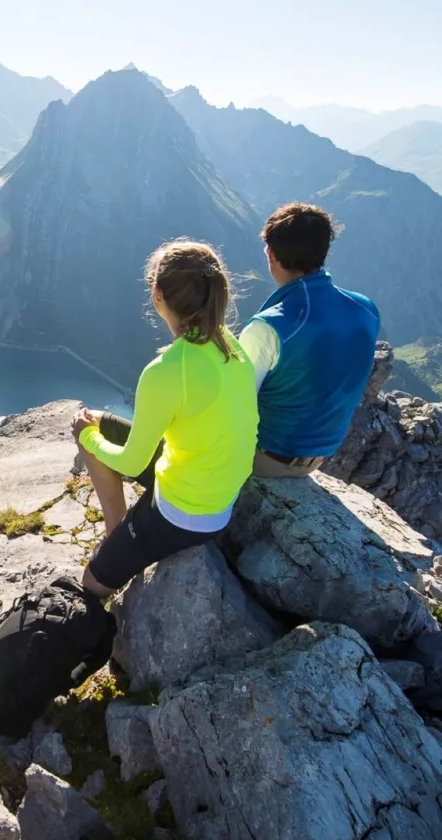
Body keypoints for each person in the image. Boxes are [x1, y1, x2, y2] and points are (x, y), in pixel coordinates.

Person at [71, 241, 258, 599]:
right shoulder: (234, 347)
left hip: (184, 514)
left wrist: (87, 438)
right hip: (219, 495)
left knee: (91, 583)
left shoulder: (167, 371)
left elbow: (132, 462)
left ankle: (121, 540)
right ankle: (118, 533)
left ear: (157, 295)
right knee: (97, 419)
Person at [236, 202, 380, 477]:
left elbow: (234, 402)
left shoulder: (270, 327)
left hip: (266, 455)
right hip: (320, 455)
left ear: (271, 253)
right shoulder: (366, 310)